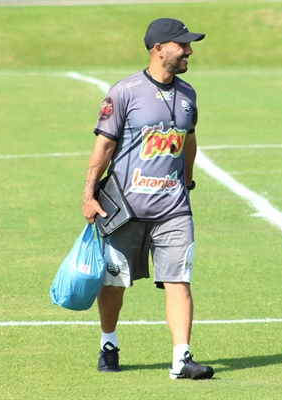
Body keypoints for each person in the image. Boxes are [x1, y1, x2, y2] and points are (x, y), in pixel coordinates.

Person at [81, 18, 214, 380]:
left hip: (173, 209)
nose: (188, 51)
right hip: (124, 208)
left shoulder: (188, 94)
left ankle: (181, 358)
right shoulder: (124, 92)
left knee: (179, 280)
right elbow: (104, 144)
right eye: (182, 45)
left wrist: (186, 178)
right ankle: (109, 342)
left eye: (189, 45)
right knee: (113, 282)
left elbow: (189, 139)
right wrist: (89, 191)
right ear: (159, 49)